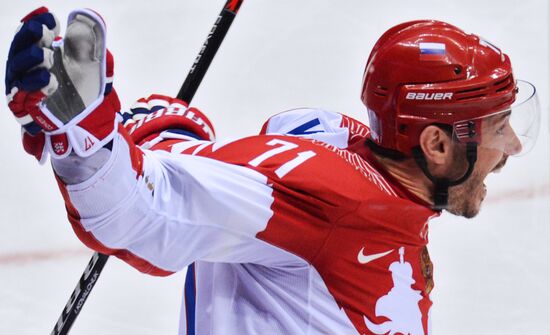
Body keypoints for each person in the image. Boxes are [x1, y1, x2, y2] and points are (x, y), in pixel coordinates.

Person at [5, 7, 540, 335]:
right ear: (436, 143)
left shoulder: (336, 147)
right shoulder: (334, 203)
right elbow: (147, 214)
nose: (513, 146)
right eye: (496, 130)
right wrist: (87, 142)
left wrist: (160, 137)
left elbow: (216, 183)